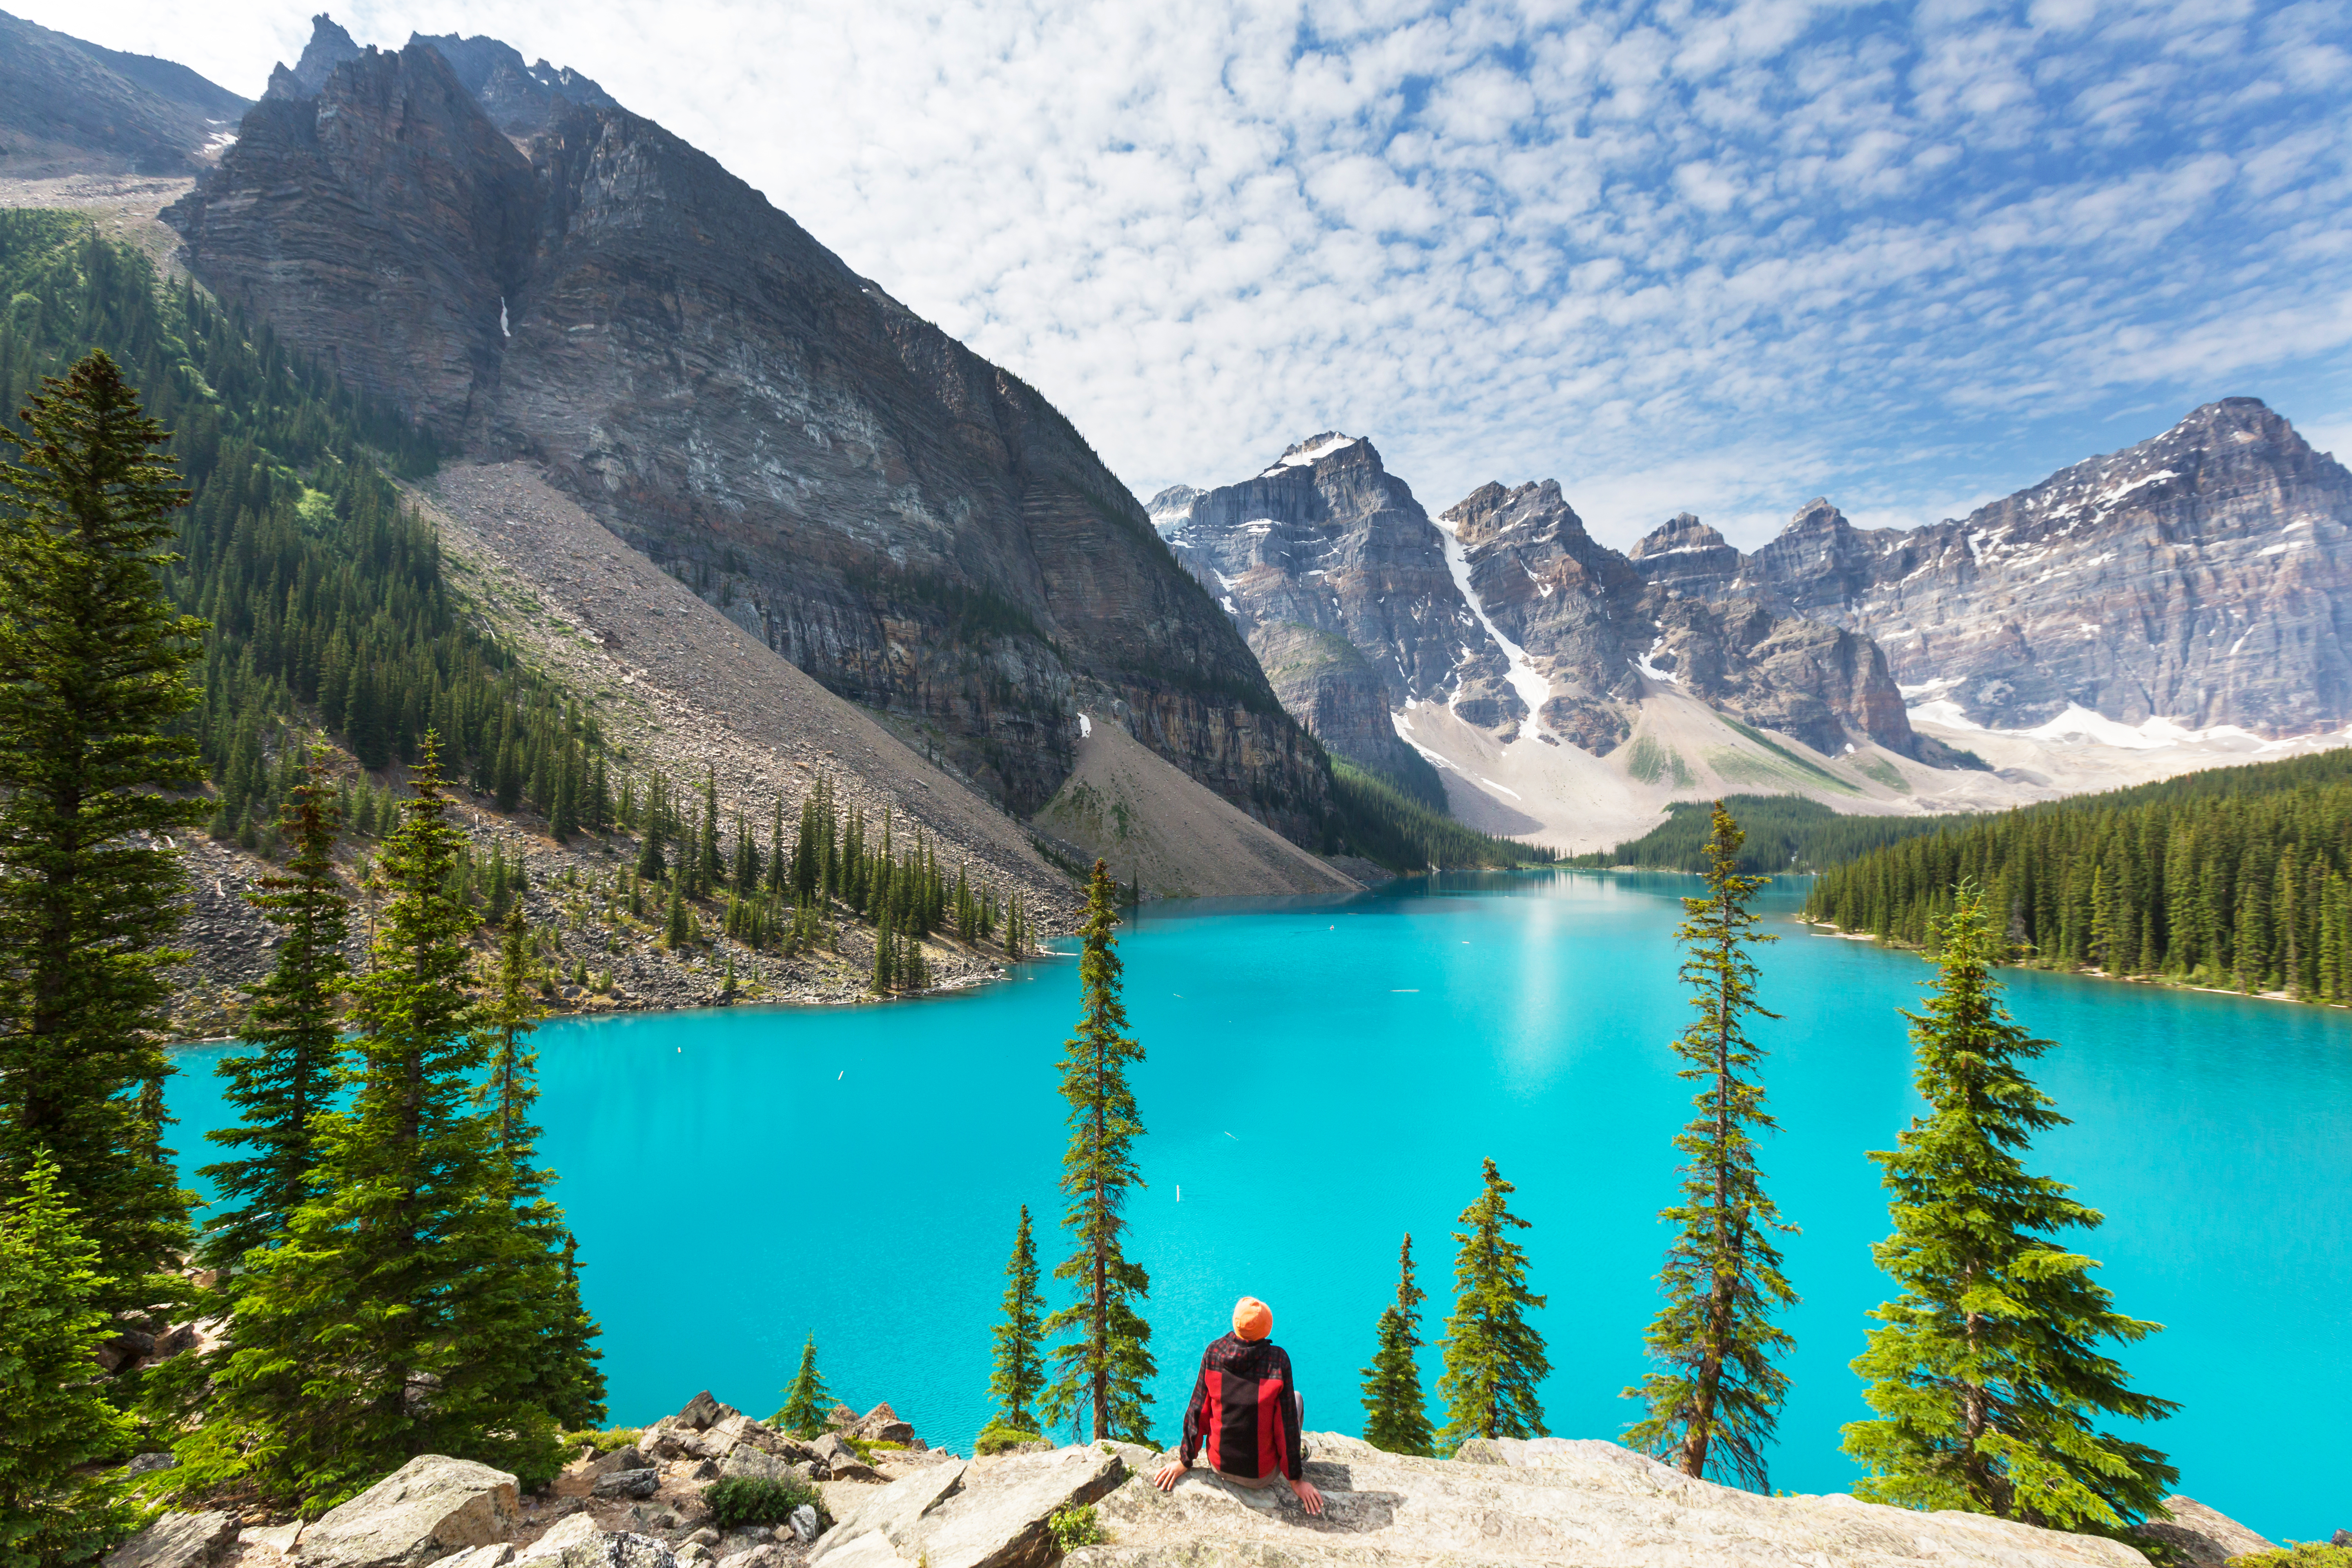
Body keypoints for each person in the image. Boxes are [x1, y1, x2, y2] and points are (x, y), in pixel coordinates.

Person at [1153, 1296, 1325, 1516]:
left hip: (1219, 1467)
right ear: (1266, 1328)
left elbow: (1197, 1412)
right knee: (1296, 1399)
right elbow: (1287, 1428)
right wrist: (1297, 1481)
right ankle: (1297, 1456)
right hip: (1261, 1477)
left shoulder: (1213, 1353)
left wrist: (1185, 1461)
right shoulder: (1278, 1362)